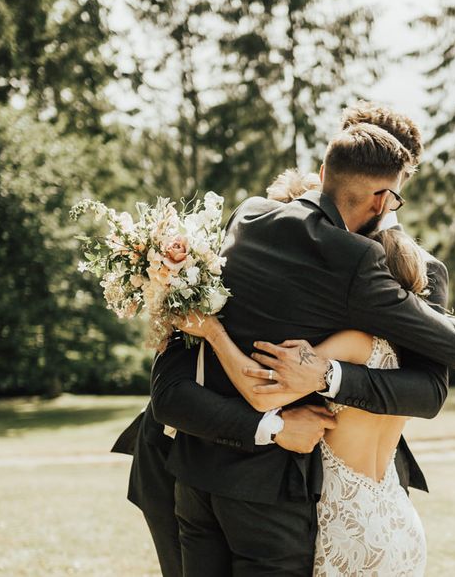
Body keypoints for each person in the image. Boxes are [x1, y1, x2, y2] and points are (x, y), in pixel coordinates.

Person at [112, 103, 452, 576]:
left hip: (321, 488)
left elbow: (430, 388)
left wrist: (330, 376)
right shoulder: (251, 226)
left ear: (397, 183)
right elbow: (186, 381)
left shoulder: (412, 269)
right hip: (185, 462)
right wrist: (271, 421)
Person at [176, 168, 432, 574]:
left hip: (351, 524)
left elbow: (262, 393)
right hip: (396, 519)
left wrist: (212, 331)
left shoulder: (350, 344)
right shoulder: (410, 352)